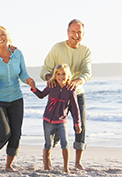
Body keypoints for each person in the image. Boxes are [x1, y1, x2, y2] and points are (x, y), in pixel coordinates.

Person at [0, 26, 35, 172]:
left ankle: (9, 165)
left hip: (16, 98)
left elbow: (23, 73)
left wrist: (27, 79)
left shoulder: (18, 53)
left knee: (16, 132)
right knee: (4, 131)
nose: (0, 38)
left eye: (2, 35)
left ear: (7, 36)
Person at [40, 19, 92, 170]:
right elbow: (45, 69)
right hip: (58, 95)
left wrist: (77, 81)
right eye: (73, 31)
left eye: (79, 32)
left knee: (80, 124)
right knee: (56, 129)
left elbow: (87, 73)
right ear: (67, 32)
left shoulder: (86, 51)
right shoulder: (57, 48)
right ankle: (47, 155)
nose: (76, 35)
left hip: (77, 93)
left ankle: (77, 162)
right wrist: (49, 78)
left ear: (83, 34)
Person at [31, 63, 82, 172]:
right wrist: (33, 88)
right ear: (55, 75)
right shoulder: (51, 86)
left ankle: (66, 168)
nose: (60, 76)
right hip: (48, 121)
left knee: (65, 143)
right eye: (58, 74)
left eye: (63, 74)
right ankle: (46, 165)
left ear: (68, 75)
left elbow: (75, 108)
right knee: (48, 144)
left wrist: (77, 124)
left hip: (61, 122)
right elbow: (41, 95)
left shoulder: (70, 90)